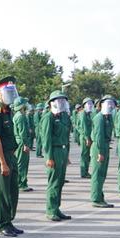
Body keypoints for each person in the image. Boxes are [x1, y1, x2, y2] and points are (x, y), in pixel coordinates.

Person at [0, 76, 23, 236]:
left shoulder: (8, 111)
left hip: (10, 155)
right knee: (3, 193)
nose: (11, 95)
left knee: (12, 191)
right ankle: (3, 223)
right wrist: (3, 163)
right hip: (0, 158)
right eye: (8, 92)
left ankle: (9, 221)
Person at [41, 91, 72, 221]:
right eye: (58, 101)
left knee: (60, 182)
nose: (61, 103)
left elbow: (67, 136)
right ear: (51, 103)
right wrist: (48, 156)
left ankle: (57, 208)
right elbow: (46, 138)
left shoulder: (65, 116)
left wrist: (68, 155)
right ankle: (51, 210)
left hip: (63, 151)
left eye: (63, 101)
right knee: (53, 182)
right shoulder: (48, 117)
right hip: (54, 151)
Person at [90, 95, 117, 208]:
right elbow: (98, 136)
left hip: (105, 146)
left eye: (112, 104)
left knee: (102, 174)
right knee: (98, 174)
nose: (110, 106)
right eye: (108, 103)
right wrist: (100, 152)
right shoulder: (99, 118)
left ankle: (100, 197)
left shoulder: (108, 117)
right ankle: (96, 199)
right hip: (99, 147)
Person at [13, 97, 34, 193]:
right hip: (22, 143)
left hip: (20, 142)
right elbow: (22, 132)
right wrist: (25, 144)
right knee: (22, 164)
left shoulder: (19, 115)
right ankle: (21, 183)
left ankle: (21, 182)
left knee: (21, 163)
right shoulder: (20, 116)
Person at [76, 98, 94, 179]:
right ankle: (84, 172)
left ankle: (86, 171)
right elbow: (84, 127)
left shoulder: (88, 114)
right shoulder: (83, 113)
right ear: (84, 105)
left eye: (91, 104)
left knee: (87, 155)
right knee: (85, 155)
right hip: (84, 137)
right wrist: (87, 138)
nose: (90, 105)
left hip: (88, 136)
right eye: (88, 104)